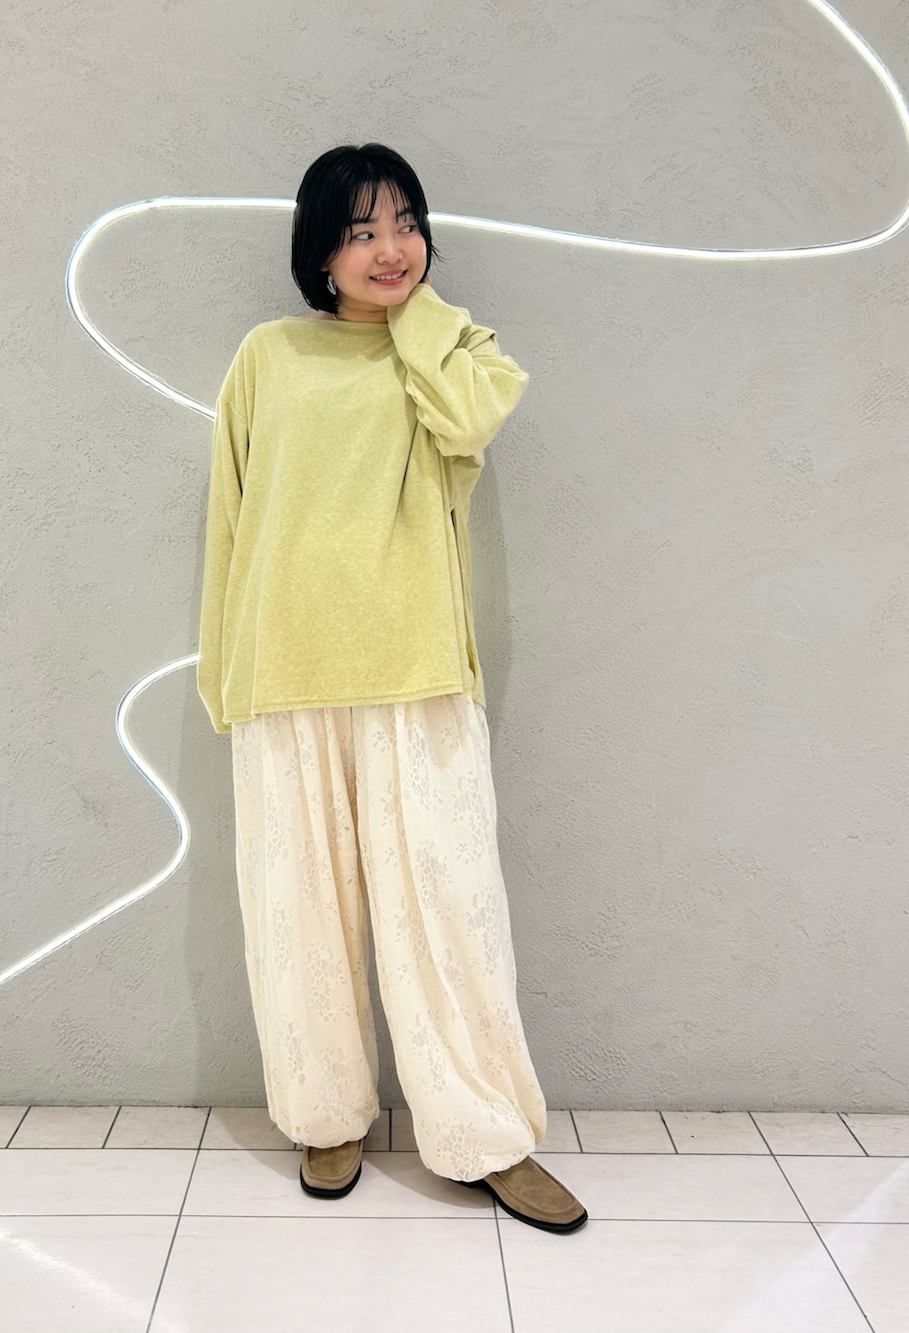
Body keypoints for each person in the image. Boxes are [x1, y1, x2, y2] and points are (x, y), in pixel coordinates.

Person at [196, 142, 588, 1235]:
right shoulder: (267, 356)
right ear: (318, 249)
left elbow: (468, 421)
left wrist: (415, 318)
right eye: (360, 230)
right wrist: (224, 670)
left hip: (414, 666)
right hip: (286, 670)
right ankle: (326, 1113)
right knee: (299, 911)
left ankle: (484, 1133)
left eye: (405, 222)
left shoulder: (456, 349)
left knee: (448, 912)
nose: (390, 248)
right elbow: (229, 518)